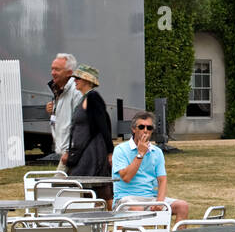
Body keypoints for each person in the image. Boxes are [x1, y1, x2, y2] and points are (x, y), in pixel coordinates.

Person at [113, 110, 189, 221]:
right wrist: (140, 154)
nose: (145, 131)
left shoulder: (157, 152)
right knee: (137, 210)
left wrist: (160, 201)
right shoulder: (120, 150)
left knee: (182, 206)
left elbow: (162, 180)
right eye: (141, 127)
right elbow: (126, 177)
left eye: (149, 128)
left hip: (150, 198)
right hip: (126, 199)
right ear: (134, 129)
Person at [65, 64, 113, 200]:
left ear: (87, 80)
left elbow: (104, 125)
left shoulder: (93, 98)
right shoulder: (84, 98)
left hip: (92, 151)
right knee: (88, 185)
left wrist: (110, 151)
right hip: (83, 150)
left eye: (78, 78)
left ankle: (105, 216)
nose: (75, 80)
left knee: (87, 183)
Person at [46, 52, 82, 173]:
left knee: (58, 186)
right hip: (65, 150)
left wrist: (70, 150)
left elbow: (79, 123)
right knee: (68, 188)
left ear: (69, 73)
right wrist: (52, 111)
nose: (53, 73)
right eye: (52, 69)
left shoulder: (76, 92)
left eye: (57, 70)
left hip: (71, 151)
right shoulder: (59, 90)